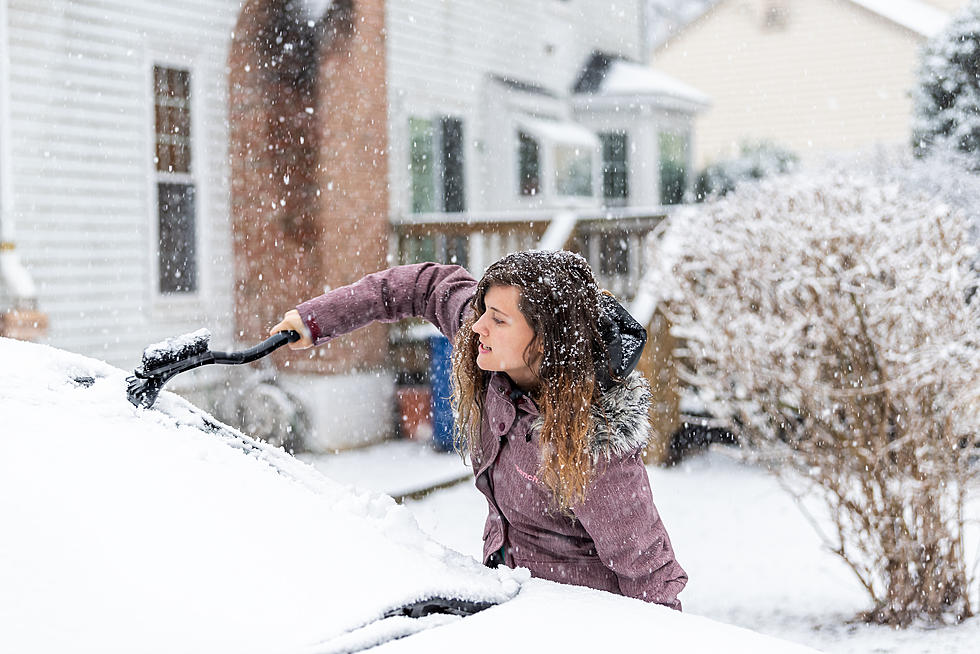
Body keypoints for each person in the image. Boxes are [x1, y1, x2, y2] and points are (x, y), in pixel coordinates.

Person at [270, 250, 688, 609]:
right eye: (483, 310)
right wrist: (317, 319)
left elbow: (649, 572)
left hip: (575, 622)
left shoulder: (594, 445)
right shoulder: (490, 355)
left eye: (498, 320)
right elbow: (425, 285)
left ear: (546, 341)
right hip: (507, 604)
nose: (477, 327)